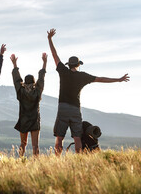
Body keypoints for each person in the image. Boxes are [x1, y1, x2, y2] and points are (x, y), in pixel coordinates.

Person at [47, 28, 130, 156]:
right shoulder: (83, 76)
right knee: (77, 137)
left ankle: (57, 160)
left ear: (68, 65)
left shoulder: (63, 71)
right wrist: (118, 80)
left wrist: (50, 39)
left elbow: (54, 55)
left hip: (62, 108)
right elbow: (101, 79)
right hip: (75, 109)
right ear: (78, 65)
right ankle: (80, 159)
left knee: (59, 137)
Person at [10, 53, 47, 157]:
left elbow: (16, 79)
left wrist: (15, 64)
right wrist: (44, 63)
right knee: (35, 145)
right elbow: (41, 78)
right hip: (35, 119)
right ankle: (36, 161)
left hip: (23, 119)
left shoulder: (20, 91)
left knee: (23, 143)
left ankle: (21, 160)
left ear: (24, 82)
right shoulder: (38, 91)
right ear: (34, 82)